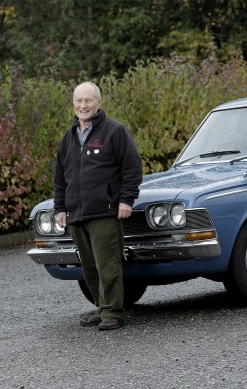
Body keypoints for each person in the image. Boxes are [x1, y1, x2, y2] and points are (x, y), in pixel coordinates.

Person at [54, 82, 143, 331]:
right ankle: (102, 308)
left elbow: (132, 168)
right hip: (76, 214)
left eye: (88, 101)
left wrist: (126, 200)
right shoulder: (68, 137)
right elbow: (60, 177)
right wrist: (60, 208)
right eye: (79, 101)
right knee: (90, 267)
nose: (83, 105)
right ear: (73, 103)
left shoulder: (115, 131)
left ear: (98, 103)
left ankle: (114, 312)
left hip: (105, 212)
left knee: (108, 265)